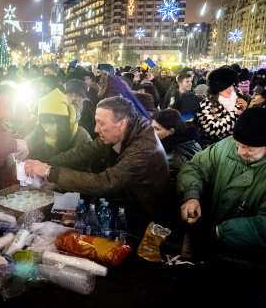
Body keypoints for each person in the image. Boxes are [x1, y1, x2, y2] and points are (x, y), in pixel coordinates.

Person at [24, 96, 169, 238]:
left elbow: (105, 182)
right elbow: (84, 152)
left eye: (101, 123)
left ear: (121, 123)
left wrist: (50, 172)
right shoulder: (124, 130)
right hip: (120, 205)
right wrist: (45, 163)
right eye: (96, 122)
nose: (95, 129)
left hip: (140, 218)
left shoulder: (143, 148)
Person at [177, 106, 266, 258]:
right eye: (238, 145)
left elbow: (262, 226)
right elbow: (195, 167)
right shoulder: (226, 146)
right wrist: (191, 195)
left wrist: (220, 232)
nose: (240, 152)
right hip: (207, 237)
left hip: (244, 257)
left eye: (248, 149)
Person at [27, 88, 91, 163]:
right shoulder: (38, 132)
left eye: (52, 123)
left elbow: (89, 169)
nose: (47, 129)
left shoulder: (81, 136)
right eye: (44, 123)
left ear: (62, 121)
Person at [196, 66, 247, 148]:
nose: (231, 89)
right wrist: (236, 113)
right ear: (218, 85)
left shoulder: (237, 101)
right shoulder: (206, 104)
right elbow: (213, 132)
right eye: (227, 85)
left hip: (235, 149)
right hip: (213, 151)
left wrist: (245, 111)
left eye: (233, 85)